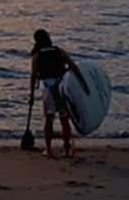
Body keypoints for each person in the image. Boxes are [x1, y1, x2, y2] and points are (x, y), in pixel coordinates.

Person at [28, 29, 89, 158]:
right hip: (62, 88)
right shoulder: (59, 51)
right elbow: (73, 67)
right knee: (64, 119)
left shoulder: (37, 55)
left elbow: (33, 76)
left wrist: (31, 95)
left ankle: (49, 149)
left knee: (49, 119)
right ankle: (67, 149)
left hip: (48, 88)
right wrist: (84, 84)